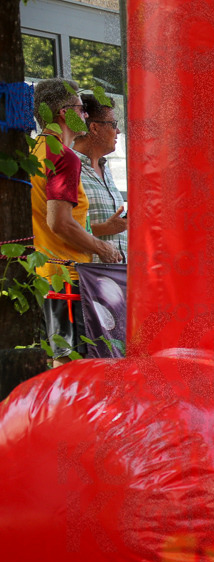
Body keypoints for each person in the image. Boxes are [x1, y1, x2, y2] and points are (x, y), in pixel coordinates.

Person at [29, 78, 121, 365]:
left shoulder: (34, 153)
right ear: (63, 114)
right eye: (81, 110)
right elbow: (60, 222)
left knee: (59, 366)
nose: (84, 115)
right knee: (74, 369)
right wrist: (103, 248)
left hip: (45, 276)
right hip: (67, 279)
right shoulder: (64, 157)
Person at [73, 93, 128, 261]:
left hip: (114, 278)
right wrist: (103, 228)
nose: (118, 131)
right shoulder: (69, 167)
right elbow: (58, 226)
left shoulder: (105, 168)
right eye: (113, 124)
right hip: (86, 279)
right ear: (94, 128)